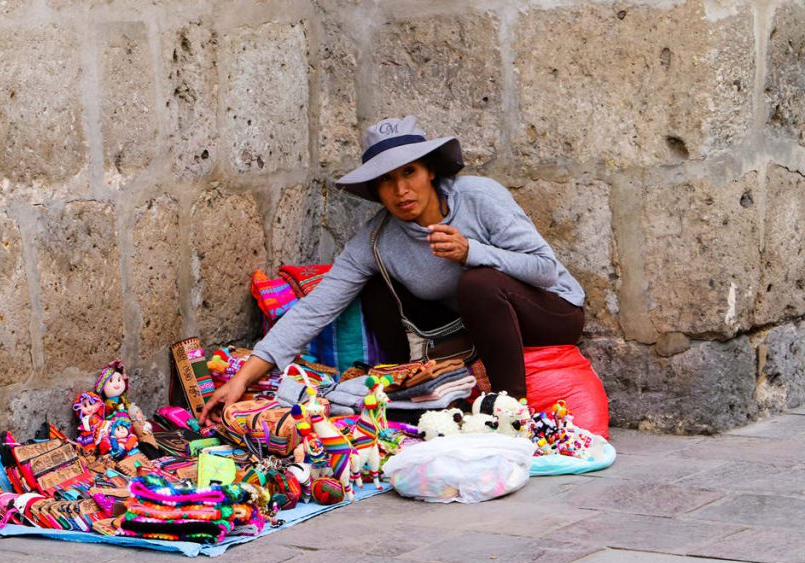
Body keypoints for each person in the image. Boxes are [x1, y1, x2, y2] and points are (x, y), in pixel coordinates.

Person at [201, 115, 586, 425]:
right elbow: (316, 308)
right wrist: (240, 379)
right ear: (376, 190)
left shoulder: (479, 198)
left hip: (551, 310)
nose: (401, 190)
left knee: (479, 282)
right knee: (371, 285)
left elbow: (544, 270)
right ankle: (412, 399)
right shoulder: (377, 239)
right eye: (387, 179)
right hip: (468, 327)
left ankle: (511, 415)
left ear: (430, 171)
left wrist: (472, 251)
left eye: (409, 173)